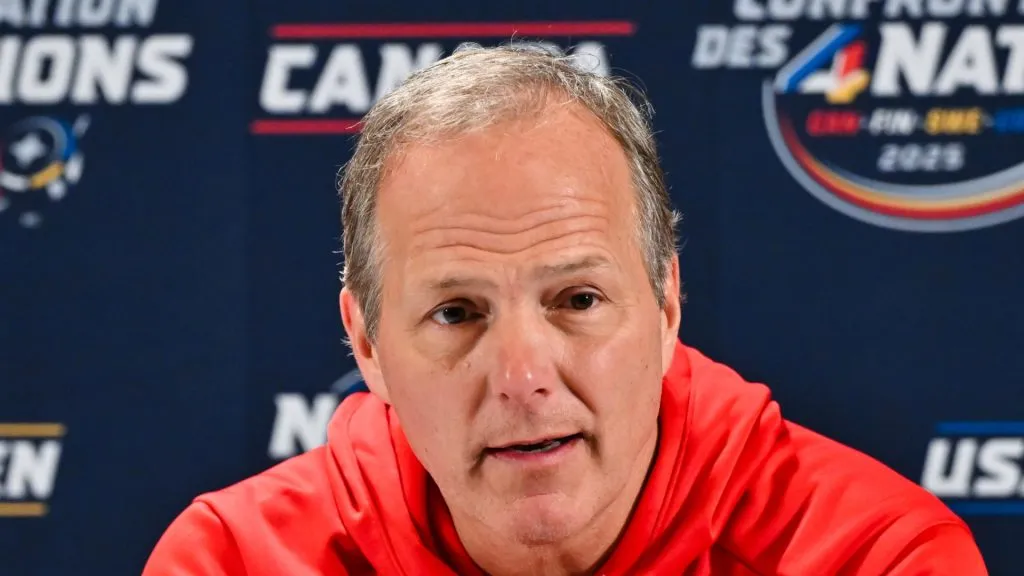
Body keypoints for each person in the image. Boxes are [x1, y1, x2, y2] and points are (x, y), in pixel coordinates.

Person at [143, 44, 988, 575]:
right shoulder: (231, 561)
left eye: (578, 299)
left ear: (666, 307)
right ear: (366, 345)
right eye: (457, 313)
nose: (522, 376)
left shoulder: (876, 558)